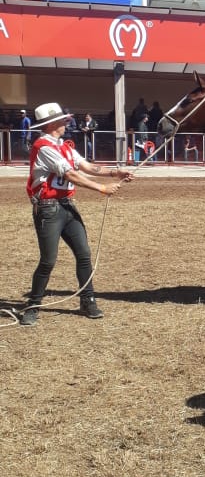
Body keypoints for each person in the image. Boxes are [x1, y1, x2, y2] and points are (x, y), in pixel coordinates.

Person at [19, 102, 133, 326]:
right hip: (48, 208)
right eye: (63, 120)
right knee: (48, 261)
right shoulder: (44, 147)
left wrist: (115, 172)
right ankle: (33, 305)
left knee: (83, 254)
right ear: (52, 124)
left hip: (67, 205)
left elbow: (86, 166)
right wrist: (102, 189)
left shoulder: (64, 146)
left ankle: (87, 299)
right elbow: (71, 175)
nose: (67, 122)